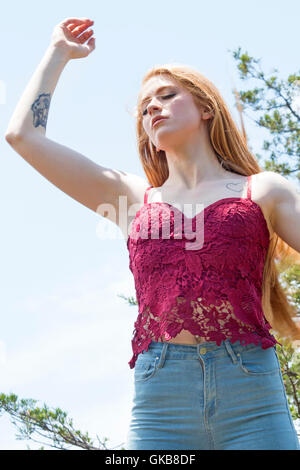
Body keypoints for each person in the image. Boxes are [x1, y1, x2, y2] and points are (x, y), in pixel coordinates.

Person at [5, 17, 300, 451]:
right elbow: (22, 136)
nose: (153, 109)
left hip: (253, 394)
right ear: (150, 138)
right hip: (162, 400)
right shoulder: (130, 197)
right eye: (145, 108)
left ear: (205, 108)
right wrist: (58, 52)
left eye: (167, 96)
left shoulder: (264, 190)